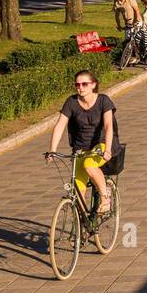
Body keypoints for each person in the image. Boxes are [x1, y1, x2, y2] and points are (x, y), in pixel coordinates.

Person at [46, 70, 118, 217]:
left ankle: (105, 198)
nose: (80, 87)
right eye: (77, 84)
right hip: (80, 147)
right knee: (78, 190)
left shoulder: (104, 101)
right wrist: (52, 150)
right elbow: (60, 125)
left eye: (85, 84)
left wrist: (108, 150)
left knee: (89, 165)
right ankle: (83, 225)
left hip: (101, 144)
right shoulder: (71, 102)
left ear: (93, 85)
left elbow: (108, 126)